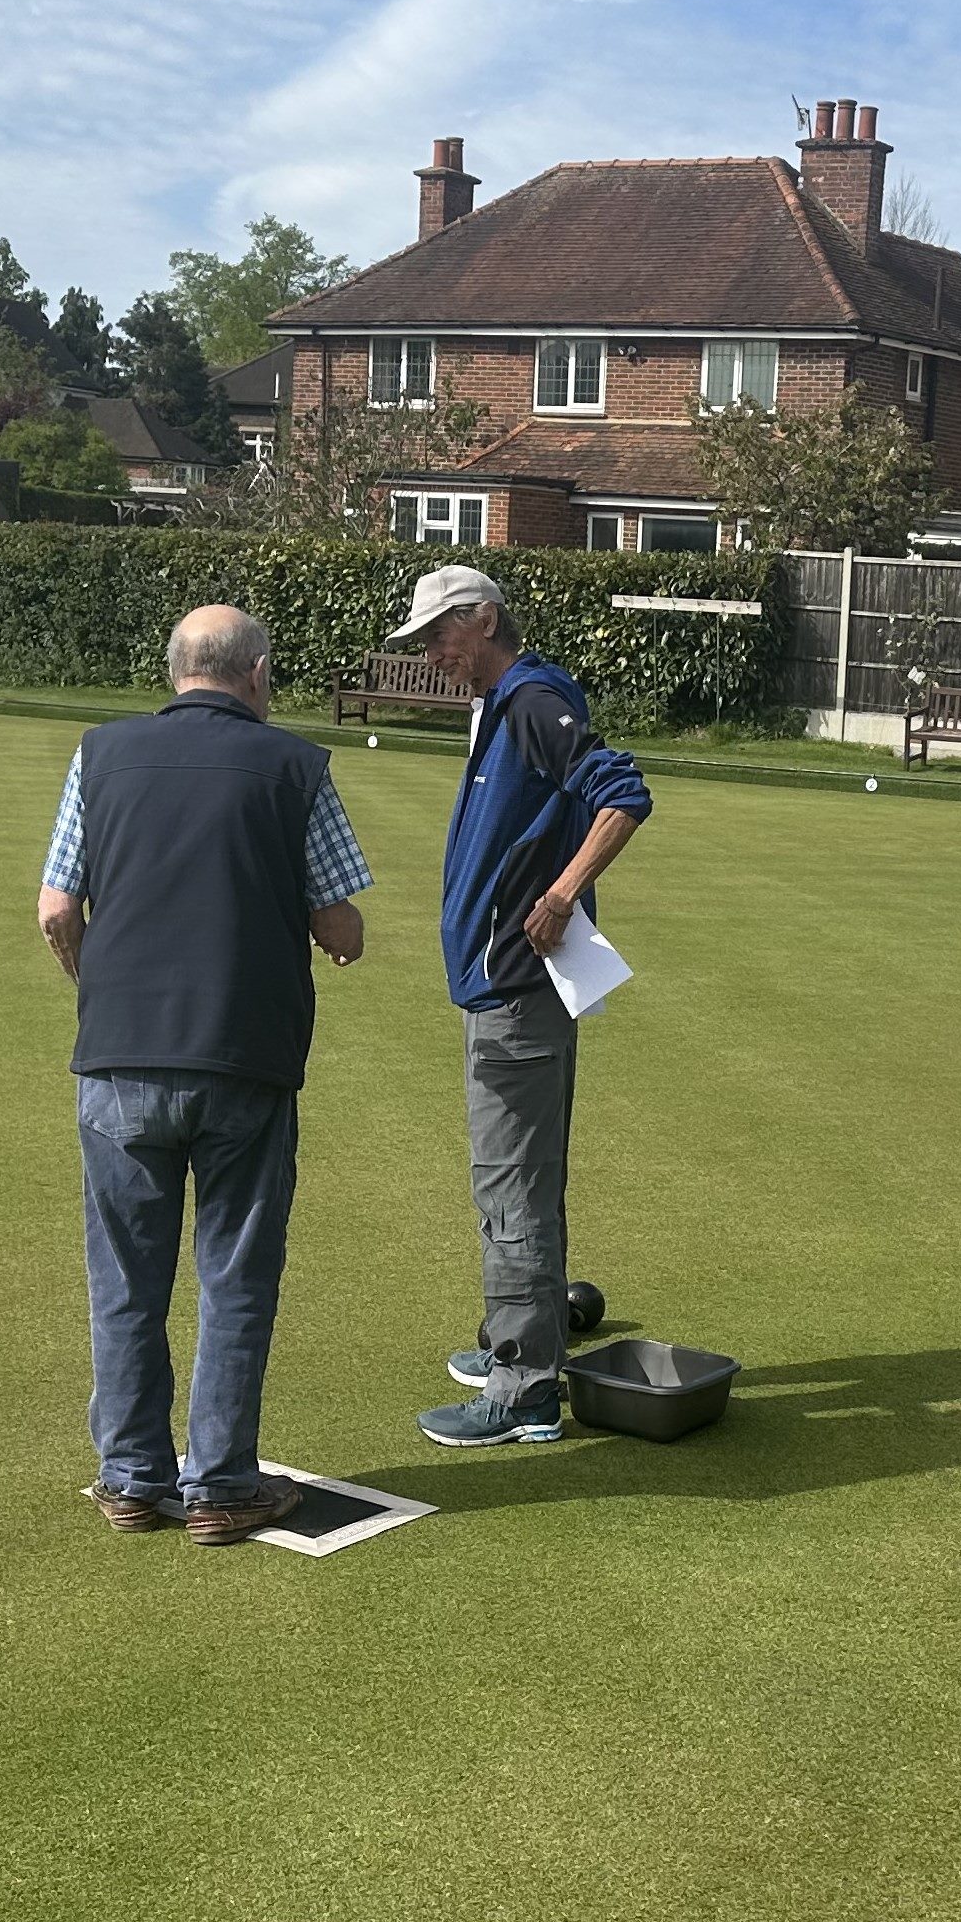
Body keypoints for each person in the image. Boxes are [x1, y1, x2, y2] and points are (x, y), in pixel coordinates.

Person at [37, 606, 370, 1543]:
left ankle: (132, 1477)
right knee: (234, 1273)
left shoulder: (99, 753)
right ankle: (221, 1484)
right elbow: (339, 924)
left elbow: (56, 906)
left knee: (125, 1279)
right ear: (256, 674)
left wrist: (97, 979)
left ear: (175, 669)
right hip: (244, 1055)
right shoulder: (297, 766)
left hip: (118, 1055)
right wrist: (341, 941)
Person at [405, 566, 654, 1447]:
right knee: (523, 1181)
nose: (433, 653)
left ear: (484, 617)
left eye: (441, 633)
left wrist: (561, 895)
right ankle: (527, 1340)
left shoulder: (529, 697)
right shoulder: (506, 701)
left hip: (515, 990)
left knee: (510, 1187)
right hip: (504, 986)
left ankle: (521, 1388)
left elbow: (622, 794)